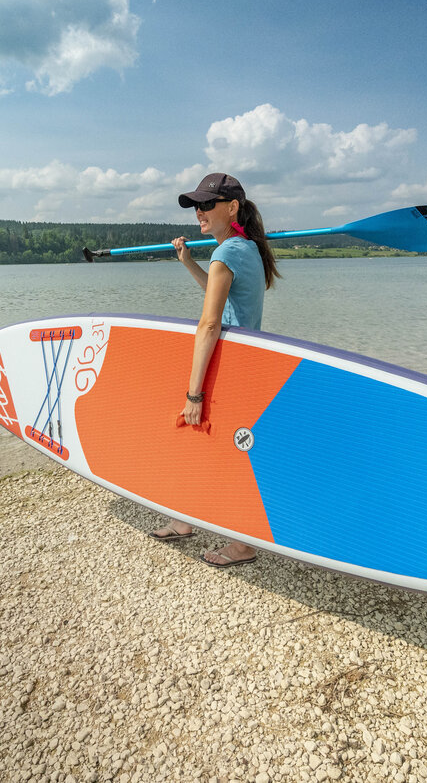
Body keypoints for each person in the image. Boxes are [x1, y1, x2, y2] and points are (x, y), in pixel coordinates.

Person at [148, 172, 281, 568]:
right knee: (210, 446)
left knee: (223, 450)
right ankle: (185, 519)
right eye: (196, 207)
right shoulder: (247, 250)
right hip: (247, 365)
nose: (199, 213)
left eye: (207, 205)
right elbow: (219, 292)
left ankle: (242, 543)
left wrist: (194, 393)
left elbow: (209, 324)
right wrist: (189, 262)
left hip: (229, 368)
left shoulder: (227, 253)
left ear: (232, 207)